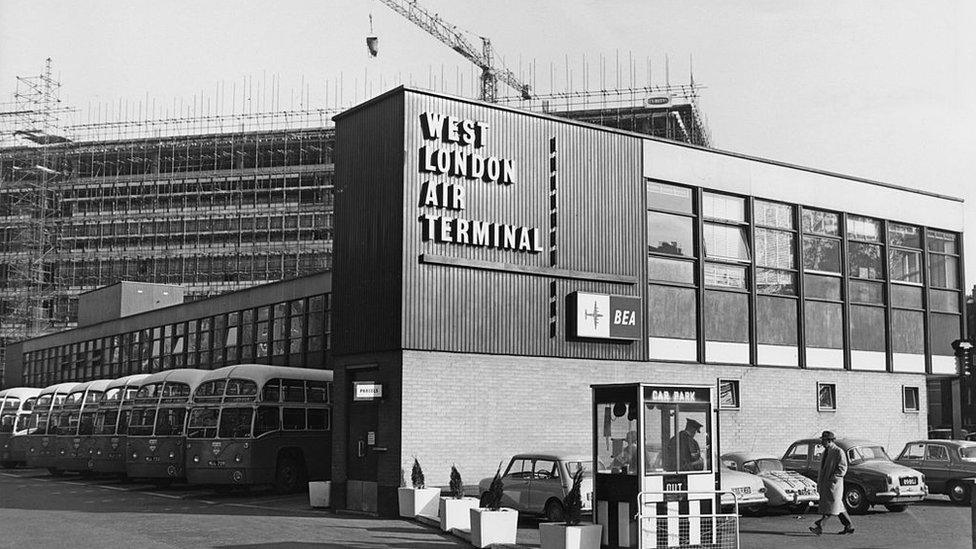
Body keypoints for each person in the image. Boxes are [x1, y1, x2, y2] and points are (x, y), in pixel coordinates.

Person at [809, 431, 855, 536]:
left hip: (834, 484)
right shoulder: (826, 452)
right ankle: (849, 526)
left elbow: (842, 468)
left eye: (824, 440)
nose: (822, 442)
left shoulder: (838, 451)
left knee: (830, 506)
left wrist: (833, 478)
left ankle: (819, 525)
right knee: (837, 505)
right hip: (826, 483)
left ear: (829, 440)